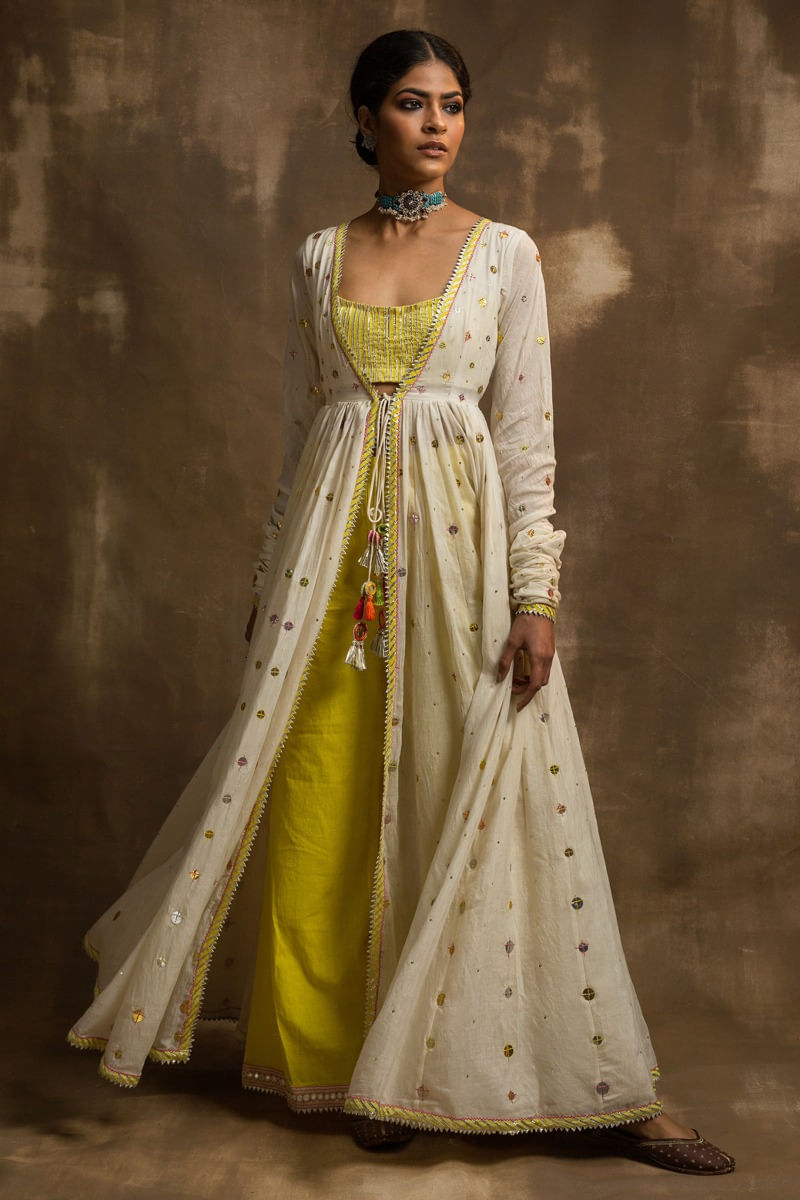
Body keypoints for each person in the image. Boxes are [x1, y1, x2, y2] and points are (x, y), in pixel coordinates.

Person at [67, 29, 734, 1177]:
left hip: (460, 564)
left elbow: (524, 442)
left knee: (466, 788)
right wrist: (270, 580)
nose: (437, 124)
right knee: (320, 802)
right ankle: (349, 1069)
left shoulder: (504, 254)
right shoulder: (317, 258)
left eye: (453, 104)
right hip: (328, 574)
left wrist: (534, 595)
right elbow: (298, 440)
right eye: (414, 103)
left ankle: (563, 1081)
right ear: (364, 117)